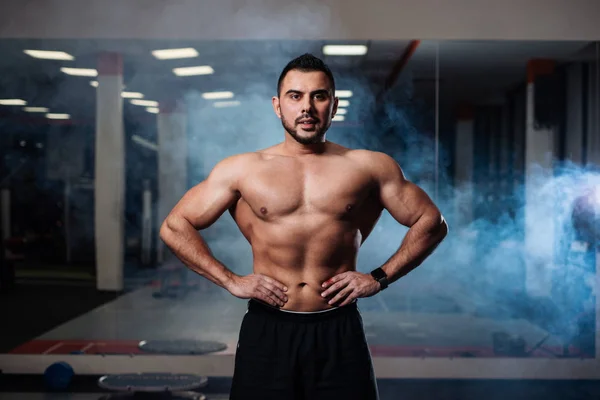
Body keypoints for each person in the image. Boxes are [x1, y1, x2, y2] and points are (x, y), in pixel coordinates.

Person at [160, 53, 448, 400]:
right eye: (295, 96)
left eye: (319, 95)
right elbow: (175, 226)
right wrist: (231, 281)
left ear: (334, 105)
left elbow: (431, 222)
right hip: (268, 329)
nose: (307, 107)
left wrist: (379, 277)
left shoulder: (369, 166)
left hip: (338, 329)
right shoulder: (242, 169)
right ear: (277, 105)